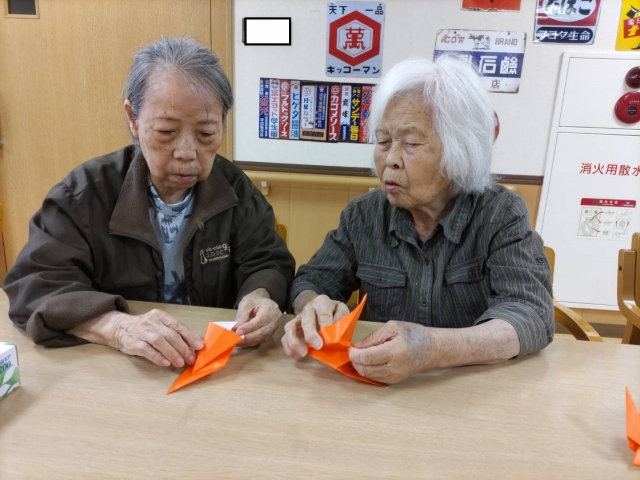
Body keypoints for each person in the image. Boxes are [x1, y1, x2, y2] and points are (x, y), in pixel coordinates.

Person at [3, 37, 295, 369]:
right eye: (167, 132)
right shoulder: (83, 194)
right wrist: (117, 327)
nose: (187, 152)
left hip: (211, 364)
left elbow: (268, 261)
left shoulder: (234, 189)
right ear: (133, 118)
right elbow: (34, 284)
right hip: (115, 366)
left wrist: (260, 296)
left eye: (206, 134)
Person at [282, 55, 553, 384]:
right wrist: (313, 305)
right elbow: (312, 281)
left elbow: (530, 315)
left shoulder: (500, 214)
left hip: (470, 388)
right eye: (383, 142)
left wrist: (433, 348)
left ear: (460, 152)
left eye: (411, 143)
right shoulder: (363, 215)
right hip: (380, 388)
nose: (391, 160)